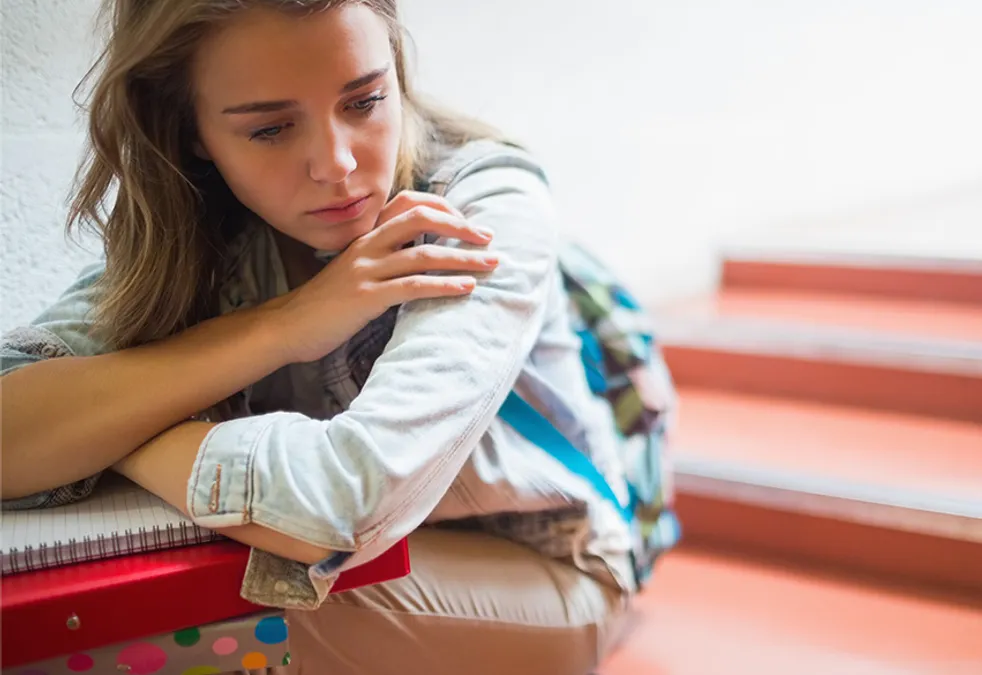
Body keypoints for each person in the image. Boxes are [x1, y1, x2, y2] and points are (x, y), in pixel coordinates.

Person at [0, 1, 639, 673]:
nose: (336, 165)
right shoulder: (195, 237)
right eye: (272, 128)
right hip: (353, 565)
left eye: (364, 102)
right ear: (188, 129)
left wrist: (124, 426)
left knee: (150, 627)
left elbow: (342, 504)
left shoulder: (480, 204)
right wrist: (283, 326)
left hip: (545, 569)